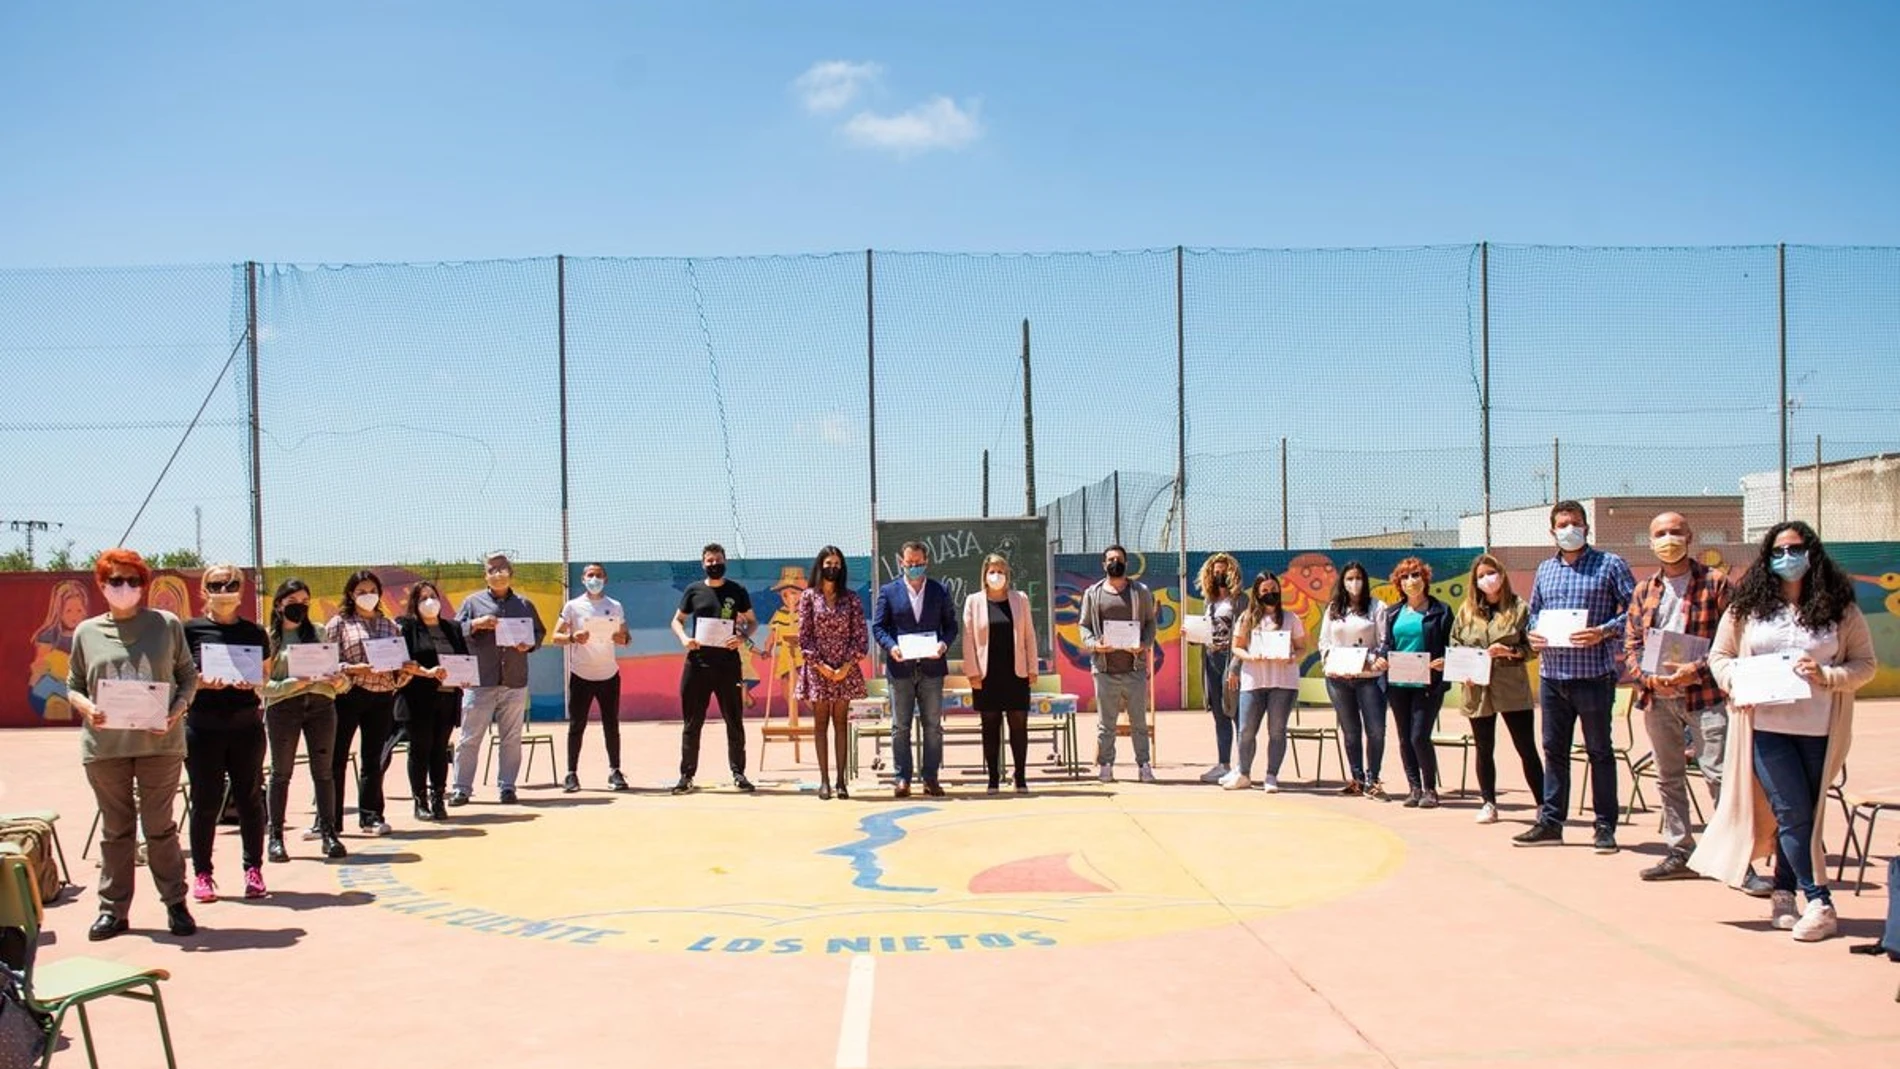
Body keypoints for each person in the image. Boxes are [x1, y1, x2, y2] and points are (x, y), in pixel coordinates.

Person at [1691, 521, 1878, 942]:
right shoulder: (1747, 608)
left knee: (1803, 818)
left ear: (1811, 552)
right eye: (1778, 551)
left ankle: (1783, 891)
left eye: (1795, 549)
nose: (1787, 558)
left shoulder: (1840, 609)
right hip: (1765, 728)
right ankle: (1820, 900)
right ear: (1767, 557)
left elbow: (1865, 665)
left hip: (1819, 730)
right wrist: (1735, 684)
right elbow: (1719, 656)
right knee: (1792, 812)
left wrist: (1827, 675)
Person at [63, 548, 200, 940]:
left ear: (144, 584)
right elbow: (72, 685)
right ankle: (113, 911)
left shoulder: (166, 624)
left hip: (160, 743)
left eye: (133, 581)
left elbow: (187, 676)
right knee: (116, 830)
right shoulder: (87, 632)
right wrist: (86, 706)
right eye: (116, 581)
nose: (125, 588)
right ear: (102, 585)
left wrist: (176, 710)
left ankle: (175, 904)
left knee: (160, 827)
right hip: (106, 748)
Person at [1514, 501, 1637, 853]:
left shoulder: (1609, 564)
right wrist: (1533, 633)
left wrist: (1604, 631)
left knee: (1599, 752)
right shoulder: (1545, 569)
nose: (1570, 529)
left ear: (1587, 527)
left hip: (1593, 676)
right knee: (1554, 751)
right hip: (1553, 676)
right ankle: (1551, 822)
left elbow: (1634, 610)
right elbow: (1535, 612)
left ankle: (1604, 827)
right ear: (1552, 531)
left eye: (1576, 523)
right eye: (1563, 524)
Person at [1623, 513, 1740, 883]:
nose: (1668, 538)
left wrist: (1697, 670)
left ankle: (1734, 856)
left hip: (1705, 697)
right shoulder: (1644, 590)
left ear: (1690, 536)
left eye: (1675, 532)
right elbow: (1632, 644)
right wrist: (1648, 679)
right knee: (1668, 776)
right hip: (1658, 700)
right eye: (1660, 533)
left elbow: (1736, 640)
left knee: (1718, 775)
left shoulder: (1716, 583)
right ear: (1650, 541)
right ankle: (1679, 850)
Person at [182, 563, 271, 903]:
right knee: (205, 802)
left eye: (231, 583)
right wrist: (201, 682)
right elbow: (180, 677)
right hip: (203, 727)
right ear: (205, 590)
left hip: (246, 725)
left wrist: (254, 682)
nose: (225, 589)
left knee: (249, 799)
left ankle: (254, 870)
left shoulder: (254, 633)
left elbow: (263, 676)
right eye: (217, 584)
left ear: (241, 589)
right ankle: (202, 874)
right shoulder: (189, 630)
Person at [261, 579, 348, 863]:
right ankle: (275, 837)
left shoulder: (320, 633)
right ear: (279, 605)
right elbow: (261, 686)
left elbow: (341, 681)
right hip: (284, 708)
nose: (300, 607)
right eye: (293, 602)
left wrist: (339, 681)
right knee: (281, 772)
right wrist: (292, 684)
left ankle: (329, 833)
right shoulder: (269, 639)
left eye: (305, 602)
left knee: (324, 772)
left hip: (322, 707)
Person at [1451, 554, 1542, 824]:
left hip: (1511, 687)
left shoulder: (1519, 608)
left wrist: (1510, 651)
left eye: (1491, 573)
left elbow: (1532, 647)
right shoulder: (1466, 611)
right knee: (1484, 747)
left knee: (1525, 746)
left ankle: (1542, 803)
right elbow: (1455, 643)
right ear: (1474, 582)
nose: (1486, 579)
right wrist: (1461, 670)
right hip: (1477, 689)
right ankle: (1489, 802)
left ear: (1501, 575)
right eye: (1481, 576)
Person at [451, 552, 546, 805]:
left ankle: (507, 786)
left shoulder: (524, 605)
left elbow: (539, 632)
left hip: (514, 680)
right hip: (480, 680)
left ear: (511, 573)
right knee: (470, 737)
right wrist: (475, 624)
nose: (498, 573)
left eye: (502, 569)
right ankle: (461, 788)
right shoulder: (472, 603)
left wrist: (531, 644)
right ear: (485, 575)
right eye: (492, 569)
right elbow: (454, 631)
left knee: (511, 738)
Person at [872, 540, 959, 797]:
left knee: (933, 726)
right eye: (910, 564)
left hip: (932, 667)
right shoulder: (888, 592)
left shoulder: (939, 591)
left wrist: (943, 644)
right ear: (901, 563)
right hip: (900, 669)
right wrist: (891, 647)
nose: (914, 568)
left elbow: (951, 626)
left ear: (927, 562)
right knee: (900, 727)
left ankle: (930, 778)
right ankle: (902, 778)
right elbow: (878, 627)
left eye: (919, 564)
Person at [670, 543, 757, 794]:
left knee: (734, 721)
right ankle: (686, 776)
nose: (714, 564)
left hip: (728, 666)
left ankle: (739, 773)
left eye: (717, 559)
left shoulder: (736, 590)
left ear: (725, 561)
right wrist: (684, 639)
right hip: (697, 664)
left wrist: (742, 638)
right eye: (709, 560)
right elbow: (677, 620)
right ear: (703, 563)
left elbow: (751, 622)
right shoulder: (693, 590)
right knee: (692, 722)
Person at [325, 570, 403, 833]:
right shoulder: (339, 623)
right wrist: (356, 668)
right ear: (351, 594)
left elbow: (399, 661)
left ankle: (371, 816)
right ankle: (330, 820)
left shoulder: (390, 625)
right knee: (337, 758)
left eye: (372, 591)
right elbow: (327, 661)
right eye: (361, 592)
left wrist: (401, 670)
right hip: (348, 694)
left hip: (382, 696)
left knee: (373, 758)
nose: (367, 596)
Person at [1078, 544, 1158, 784]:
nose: (1115, 562)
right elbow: (1083, 626)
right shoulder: (1093, 593)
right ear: (1104, 564)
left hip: (1134, 668)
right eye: (1111, 559)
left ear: (1126, 563)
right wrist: (1094, 644)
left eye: (1119, 559)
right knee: (1106, 724)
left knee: (1139, 722)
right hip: (1104, 669)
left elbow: (1150, 623)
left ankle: (1144, 765)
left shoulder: (1140, 591)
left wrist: (1144, 644)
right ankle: (1106, 766)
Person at [1378, 557, 1453, 809]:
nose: (1411, 581)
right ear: (1398, 583)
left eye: (1415, 575)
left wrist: (1445, 661)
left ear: (1425, 579)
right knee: (1404, 737)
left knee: (1419, 736)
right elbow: (1387, 645)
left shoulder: (1441, 610)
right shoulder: (1392, 613)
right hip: (1398, 685)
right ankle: (1414, 788)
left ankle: (1430, 789)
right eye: (1405, 577)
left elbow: (1451, 646)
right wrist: (1381, 659)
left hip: (1428, 684)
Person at [963, 552, 1041, 794]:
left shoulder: (1020, 599)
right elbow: (968, 640)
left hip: (1015, 673)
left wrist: (1032, 667)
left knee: (1018, 724)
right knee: (990, 724)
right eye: (992, 571)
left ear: (1008, 575)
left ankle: (1020, 776)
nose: (997, 575)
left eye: (1001, 571)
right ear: (985, 575)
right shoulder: (973, 601)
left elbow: (1029, 635)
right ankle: (993, 778)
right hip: (986, 675)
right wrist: (972, 672)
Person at [1224, 570, 1306, 792]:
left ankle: (1271, 775)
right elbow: (1237, 647)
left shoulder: (1291, 618)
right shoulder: (1247, 618)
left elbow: (1302, 648)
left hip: (1283, 683)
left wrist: (1292, 658)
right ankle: (1244, 773)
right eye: (1265, 590)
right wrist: (1250, 657)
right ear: (1257, 593)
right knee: (1246, 730)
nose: (1270, 593)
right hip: (1253, 681)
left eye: (1273, 589)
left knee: (1277, 730)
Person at [797, 545, 868, 799]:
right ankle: (824, 781)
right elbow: (804, 637)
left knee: (840, 724)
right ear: (819, 565)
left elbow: (860, 636)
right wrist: (822, 666)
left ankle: (840, 781)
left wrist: (846, 666)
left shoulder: (852, 598)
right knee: (820, 724)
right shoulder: (807, 597)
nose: (832, 568)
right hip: (818, 670)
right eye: (828, 563)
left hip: (845, 669)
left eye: (837, 564)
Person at [552, 563, 631, 793]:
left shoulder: (614, 606)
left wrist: (621, 638)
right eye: (590, 575)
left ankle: (615, 771)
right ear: (583, 578)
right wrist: (573, 637)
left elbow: (627, 637)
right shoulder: (573, 606)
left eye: (598, 575)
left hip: (608, 674)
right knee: (577, 725)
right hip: (581, 674)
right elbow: (556, 636)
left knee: (611, 724)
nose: (594, 578)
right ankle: (571, 773)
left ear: (605, 578)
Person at [395, 581, 467, 820]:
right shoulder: (407, 627)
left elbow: (464, 659)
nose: (429, 601)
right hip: (418, 699)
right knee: (420, 749)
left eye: (432, 596)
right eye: (423, 597)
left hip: (448, 697)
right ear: (414, 603)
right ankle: (420, 801)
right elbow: (402, 662)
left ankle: (438, 798)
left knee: (439, 749)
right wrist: (426, 671)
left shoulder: (452, 628)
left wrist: (465, 677)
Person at [1319, 561, 1388, 799]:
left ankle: (1373, 779)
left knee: (1376, 730)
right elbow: (1324, 642)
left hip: (1369, 678)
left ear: (1365, 580)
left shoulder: (1377, 607)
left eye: (1358, 578)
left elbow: (1382, 642)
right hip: (1339, 679)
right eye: (1349, 578)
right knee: (1350, 731)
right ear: (1342, 581)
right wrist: (1332, 663)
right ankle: (1357, 779)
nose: (1354, 583)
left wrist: (1369, 660)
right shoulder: (1333, 609)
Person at [1193, 553, 1244, 784]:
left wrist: (1236, 664)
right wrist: (1194, 635)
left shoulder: (1240, 601)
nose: (1219, 575)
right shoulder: (1209, 602)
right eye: (1215, 572)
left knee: (1235, 711)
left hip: (1229, 660)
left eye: (1223, 571)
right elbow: (1207, 631)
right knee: (1219, 713)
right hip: (1211, 660)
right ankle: (1223, 764)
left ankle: (1243, 766)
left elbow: (1246, 634)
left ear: (1232, 573)